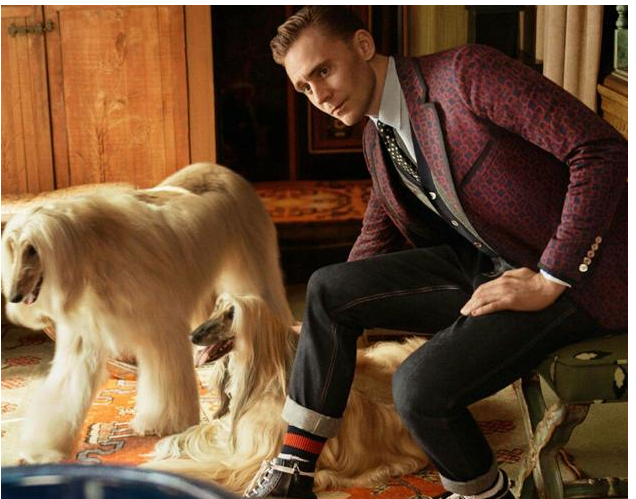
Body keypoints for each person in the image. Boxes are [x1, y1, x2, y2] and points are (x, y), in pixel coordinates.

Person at [243, 6, 627, 499]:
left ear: (363, 45)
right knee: (326, 288)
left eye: (323, 70)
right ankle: (294, 469)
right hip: (492, 265)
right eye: (304, 87)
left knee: (417, 389)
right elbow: (376, 237)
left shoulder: (467, 74)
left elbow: (601, 152)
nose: (319, 95)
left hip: (583, 277)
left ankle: (483, 494)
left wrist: (551, 276)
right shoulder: (377, 137)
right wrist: (322, 329)